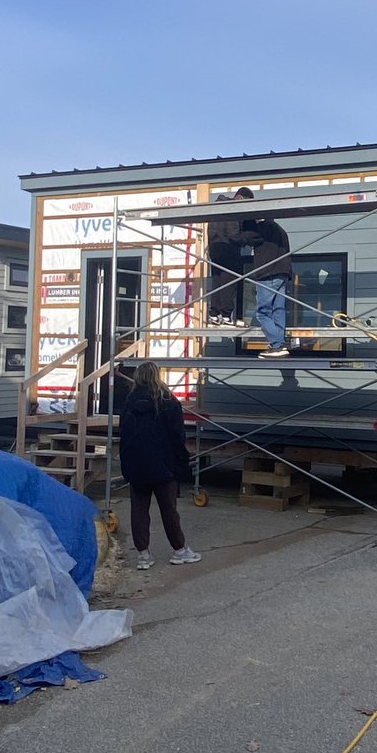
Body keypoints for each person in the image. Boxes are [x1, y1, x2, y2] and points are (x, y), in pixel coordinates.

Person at [119, 361, 202, 569]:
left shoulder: (129, 402)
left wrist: (126, 466)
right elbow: (177, 436)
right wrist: (182, 462)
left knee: (139, 510)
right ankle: (179, 550)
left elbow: (124, 436)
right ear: (157, 376)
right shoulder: (168, 402)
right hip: (163, 464)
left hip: (136, 464)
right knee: (169, 509)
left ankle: (143, 555)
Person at [234, 187, 293, 360]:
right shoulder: (279, 228)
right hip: (283, 273)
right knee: (278, 309)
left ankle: (277, 344)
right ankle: (278, 345)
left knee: (262, 312)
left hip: (268, 273)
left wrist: (234, 229)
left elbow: (243, 239)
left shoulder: (263, 227)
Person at [207, 193, 246, 327]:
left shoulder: (214, 209)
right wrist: (243, 239)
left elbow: (211, 232)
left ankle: (214, 314)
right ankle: (226, 316)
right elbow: (233, 234)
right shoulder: (231, 208)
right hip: (229, 249)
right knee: (230, 283)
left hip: (215, 249)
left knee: (217, 282)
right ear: (240, 197)